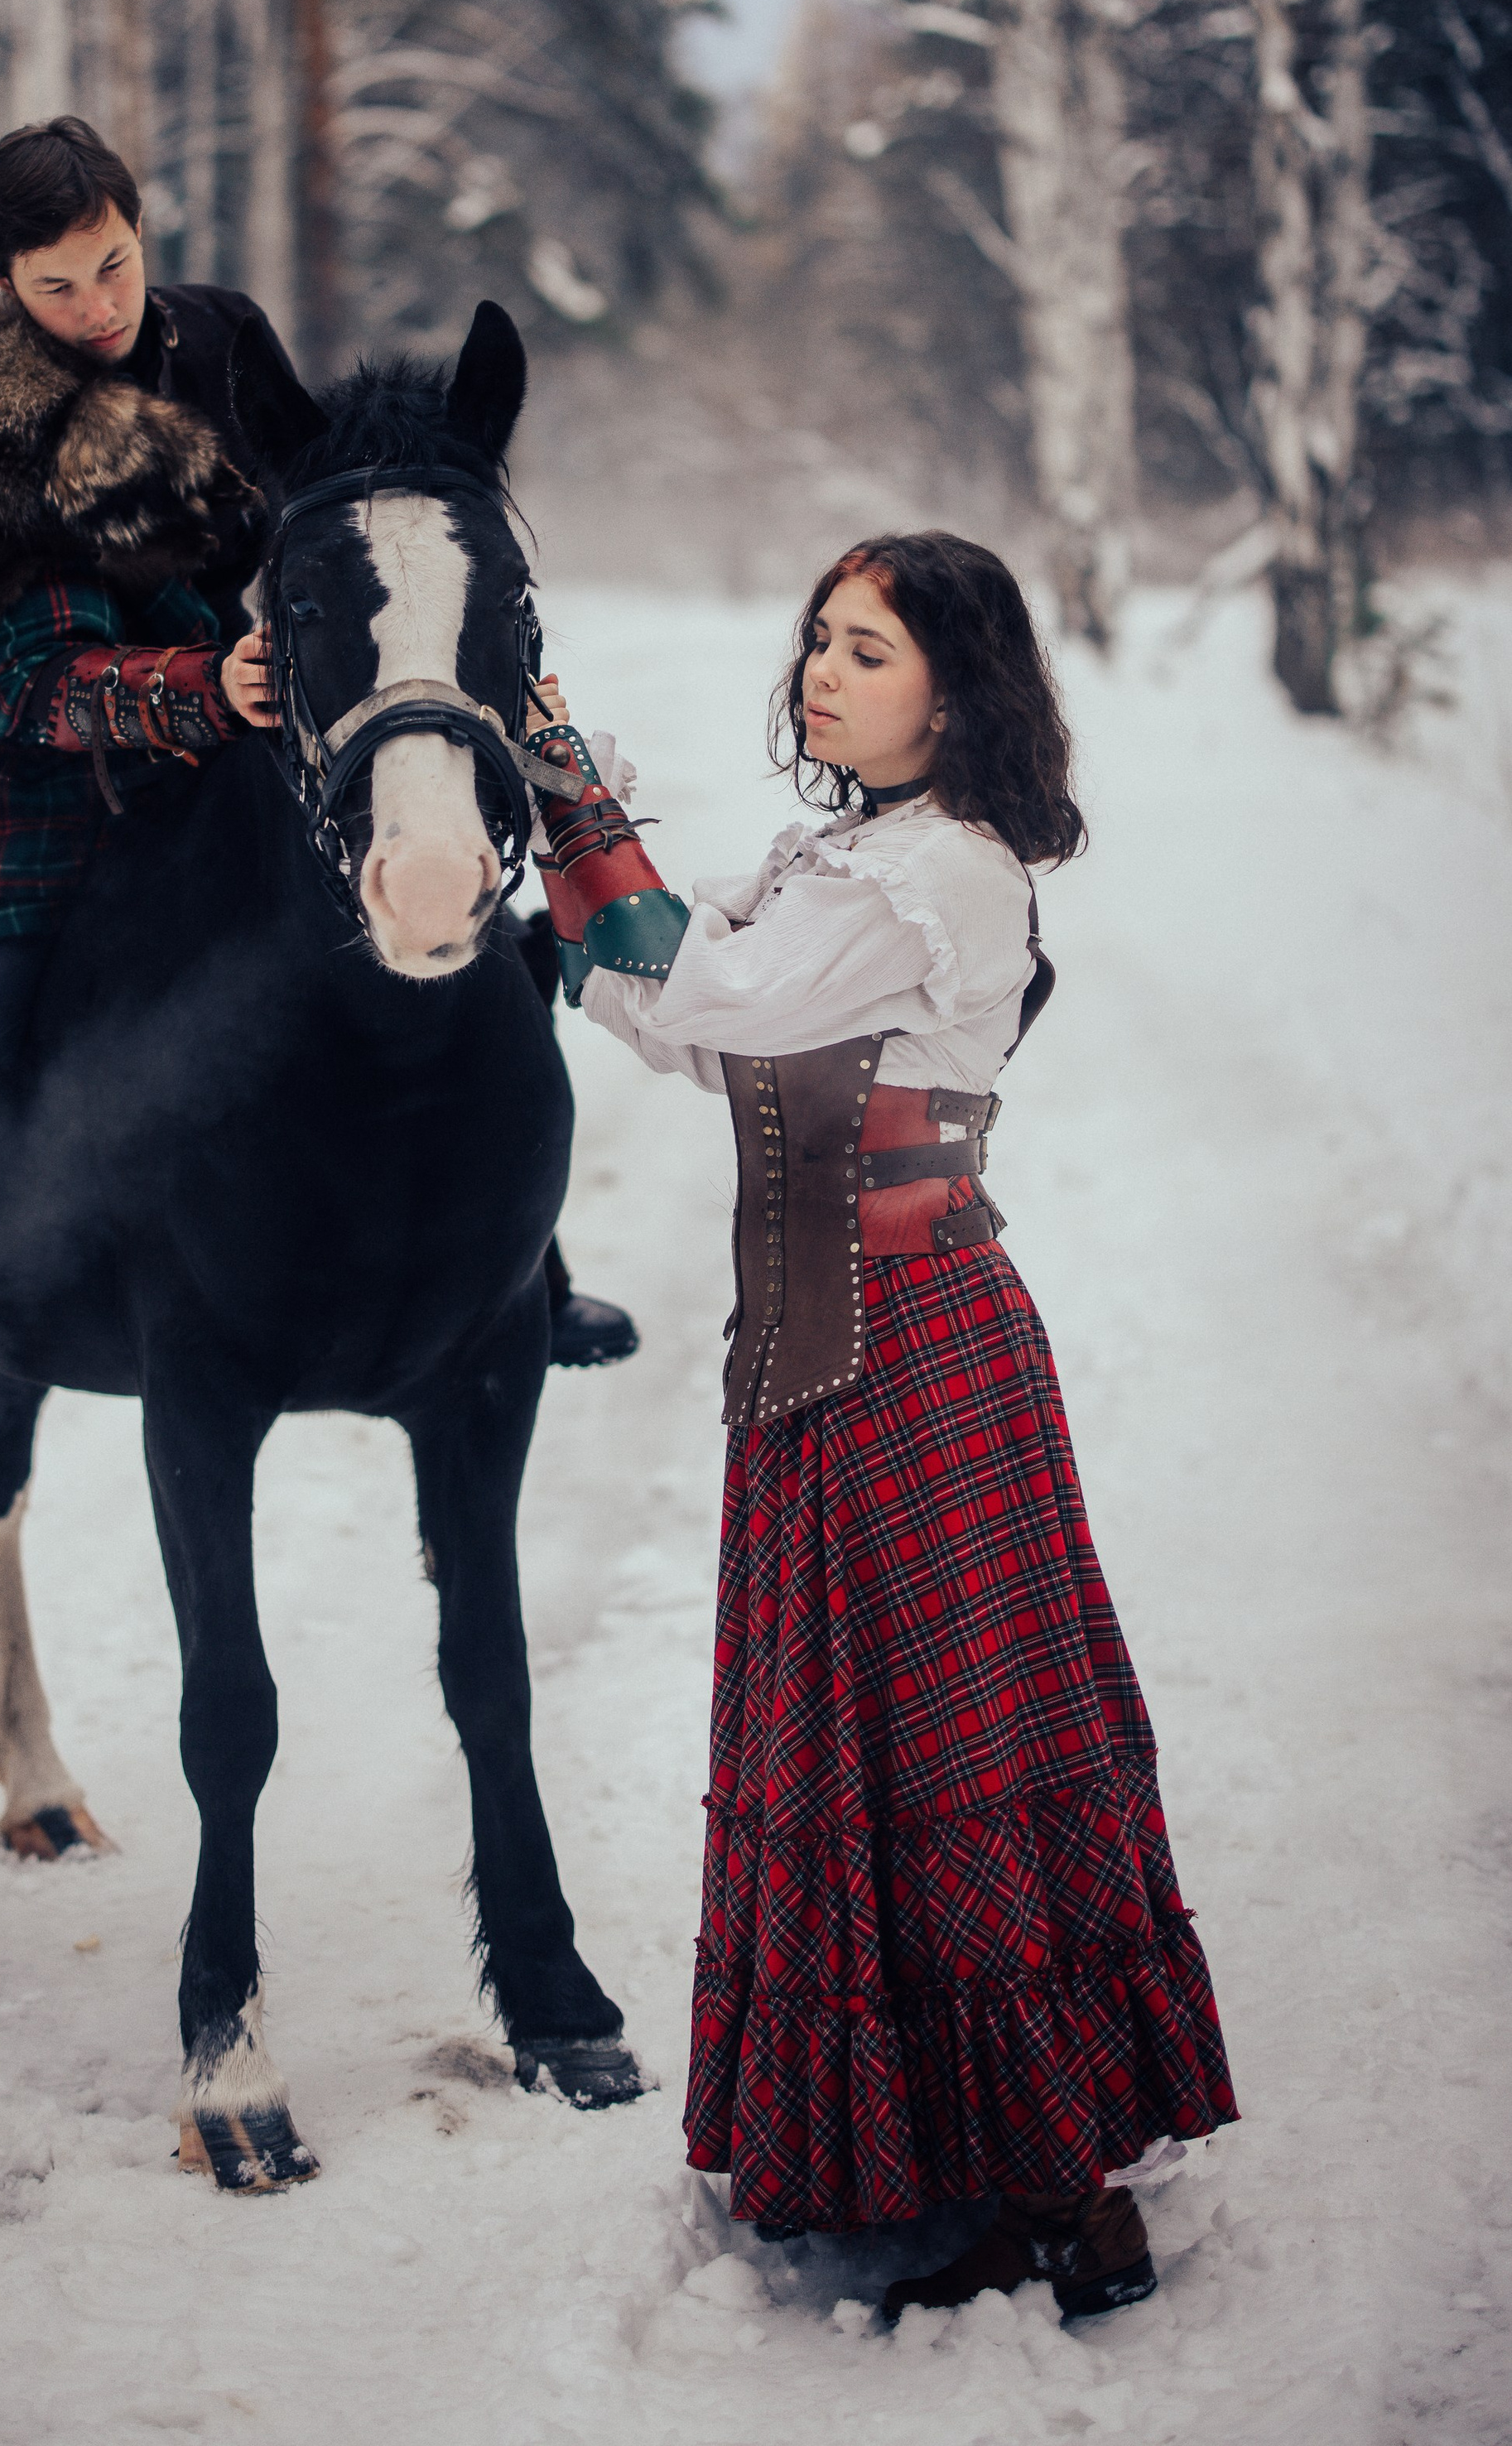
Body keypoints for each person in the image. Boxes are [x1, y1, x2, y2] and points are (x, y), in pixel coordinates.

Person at [525, 532, 1236, 2325]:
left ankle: (1065, 2189)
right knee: (854, 1758)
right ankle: (901, 2143)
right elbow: (692, 1035)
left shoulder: (948, 873)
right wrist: (557, 867)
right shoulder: (834, 858)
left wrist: (583, 813)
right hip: (803, 1353)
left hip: (918, 1348)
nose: (823, 673)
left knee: (958, 1752)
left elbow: (719, 992)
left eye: (867, 647)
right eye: (816, 643)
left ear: (956, 683)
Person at [0, 115, 632, 1572]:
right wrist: (192, 686)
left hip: (249, 701)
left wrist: (324, 651)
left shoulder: (216, 338)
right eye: (57, 286)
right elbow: (10, 668)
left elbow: (316, 517)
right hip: (48, 732)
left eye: (113, 265)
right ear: (4, 284)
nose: (98, 307)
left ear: (141, 228)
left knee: (452, 926)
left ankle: (526, 1268)